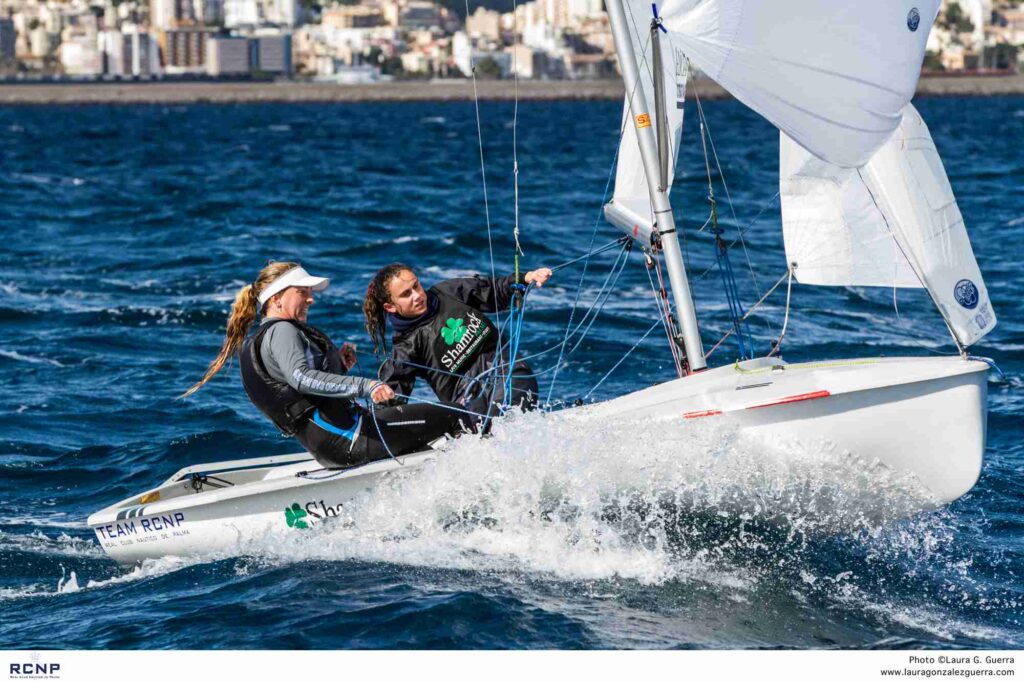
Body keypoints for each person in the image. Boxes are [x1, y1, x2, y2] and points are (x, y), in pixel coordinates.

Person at [183, 261, 471, 469]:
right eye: (302, 292)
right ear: (277, 298)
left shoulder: (261, 339)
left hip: (332, 445)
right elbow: (301, 379)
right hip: (352, 439)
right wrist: (366, 385)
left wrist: (340, 368)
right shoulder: (281, 331)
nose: (310, 299)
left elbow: (301, 392)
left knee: (424, 442)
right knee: (456, 415)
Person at [363, 263, 553, 417]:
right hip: (467, 400)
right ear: (390, 307)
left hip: (507, 372)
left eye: (416, 286)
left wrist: (525, 278)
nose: (417, 296)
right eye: (406, 294)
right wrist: (381, 399)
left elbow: (494, 290)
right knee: (481, 426)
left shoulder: (448, 292)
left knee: (503, 416)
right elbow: (392, 395)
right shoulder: (406, 345)